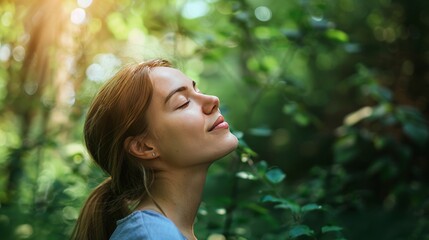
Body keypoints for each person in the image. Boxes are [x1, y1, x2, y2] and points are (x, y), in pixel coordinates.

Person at [71, 59, 238, 240]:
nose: (212, 100)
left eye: (197, 90)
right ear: (144, 146)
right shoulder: (152, 235)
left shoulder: (159, 232)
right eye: (183, 102)